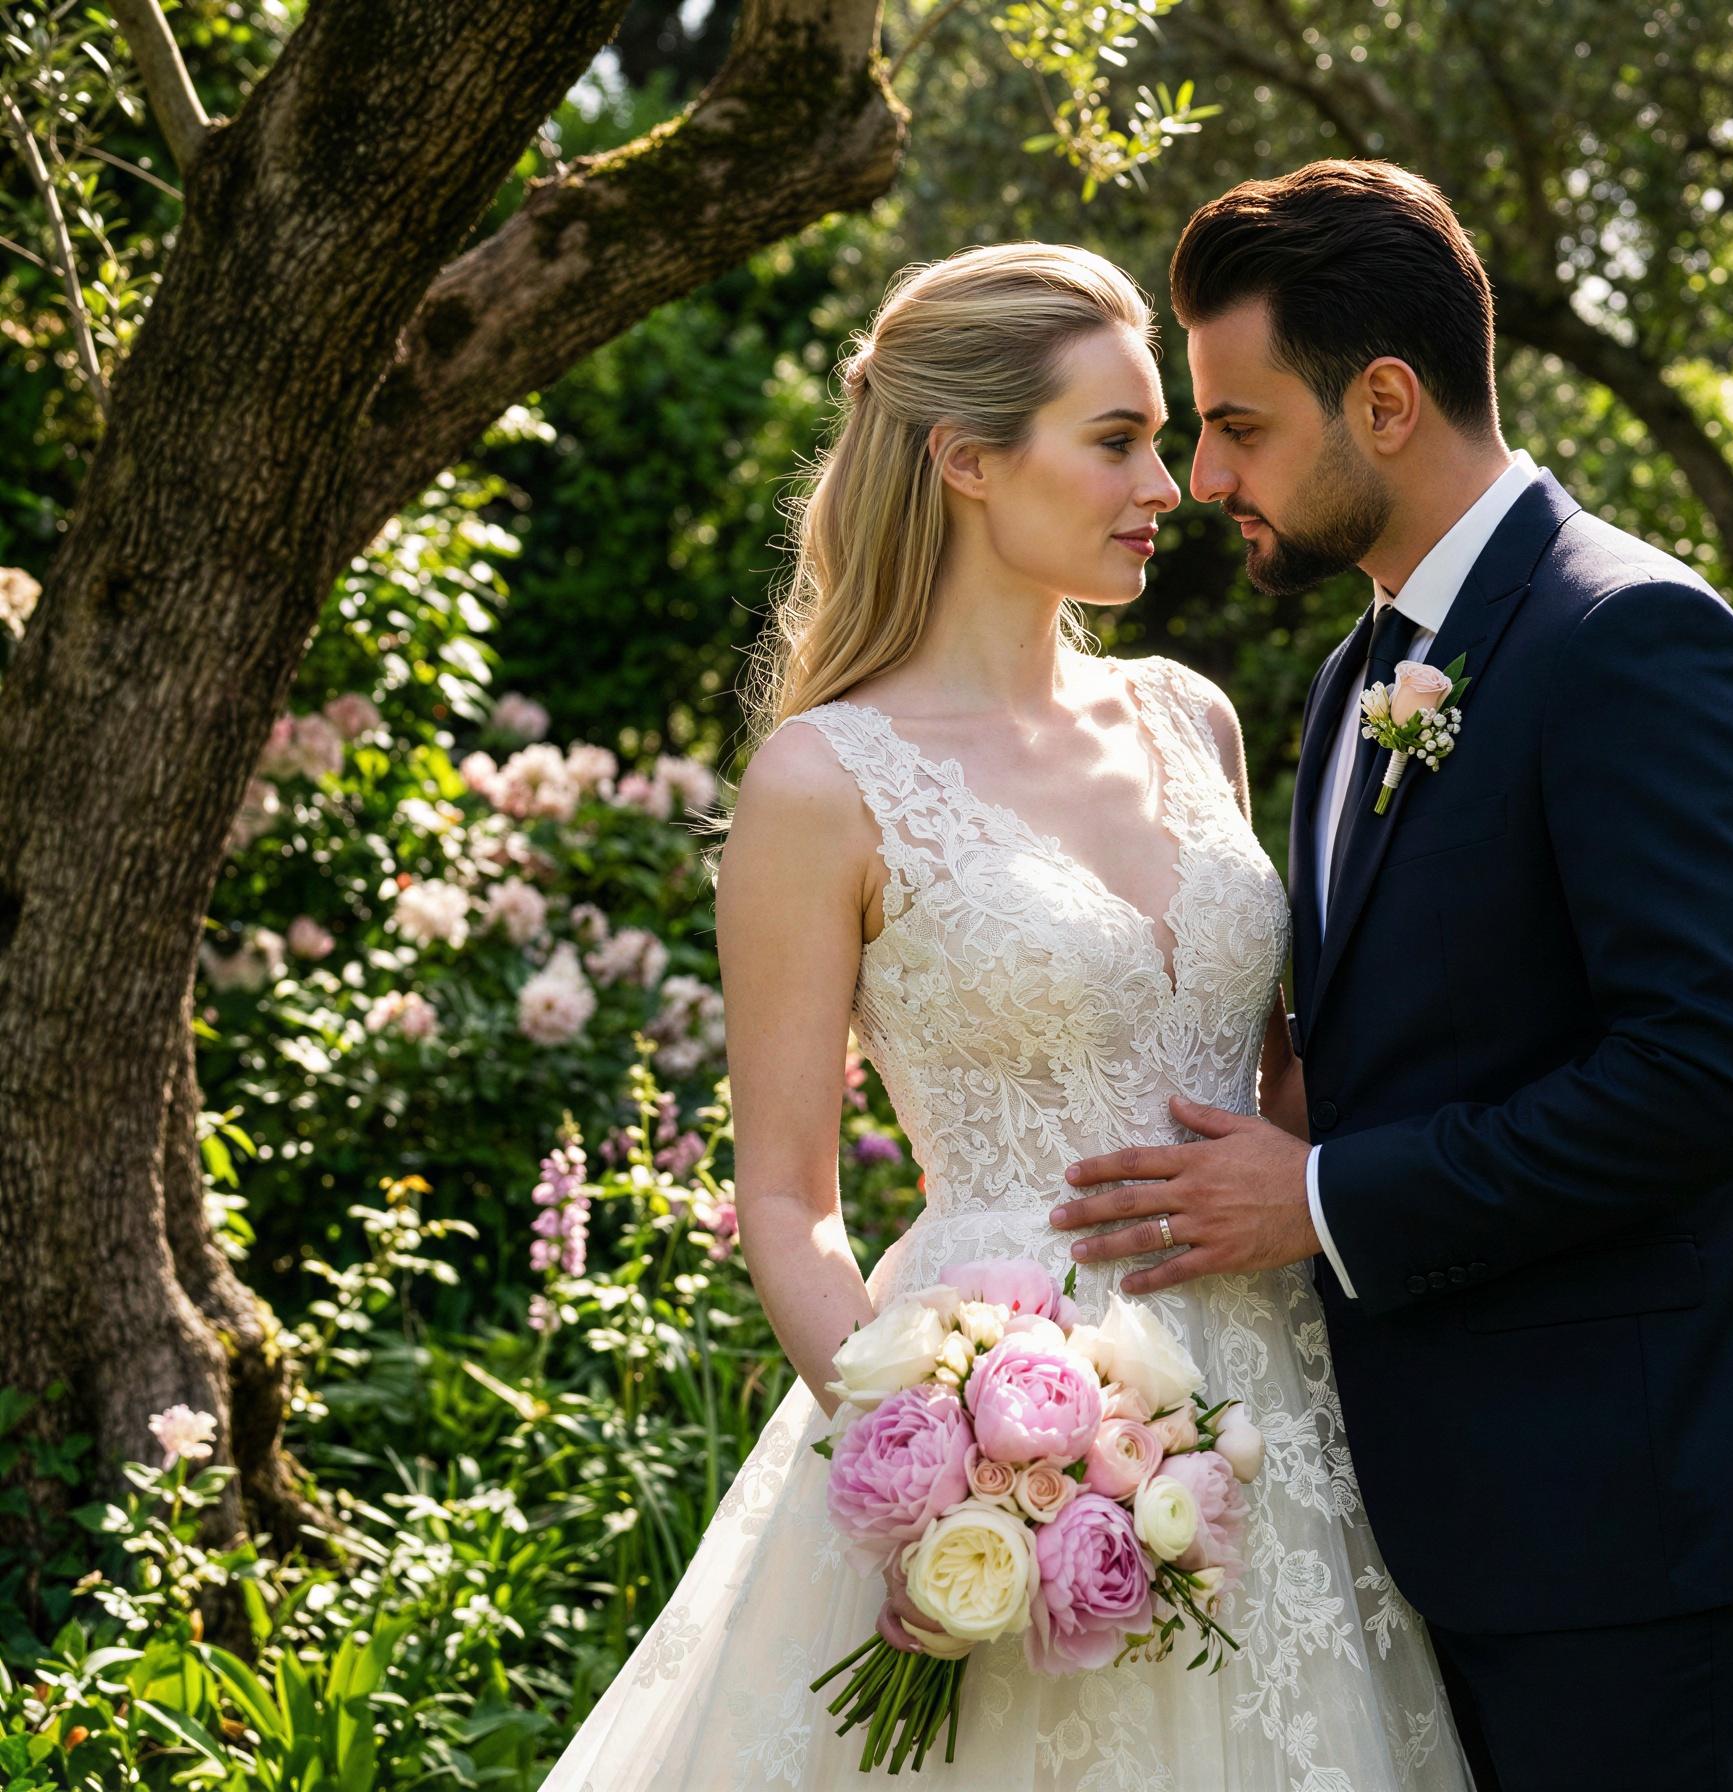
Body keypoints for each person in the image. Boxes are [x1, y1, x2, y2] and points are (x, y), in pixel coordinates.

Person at [536, 240, 1475, 1789]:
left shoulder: (1192, 717)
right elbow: (787, 1202)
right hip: (1007, 1410)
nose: (1166, 484)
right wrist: (941, 1467)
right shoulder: (820, 785)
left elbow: (1274, 1074)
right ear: (964, 458)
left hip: (1281, 1411)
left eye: (1162, 440)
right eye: (1116, 441)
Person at [1050, 160, 1733, 1791]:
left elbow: (1715, 1074)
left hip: (1624, 1520)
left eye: (1241, 425)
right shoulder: (1358, 671)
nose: (1206, 477)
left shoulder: (1632, 637)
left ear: (1387, 402)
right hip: (1422, 1513)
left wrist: (1322, 1196)